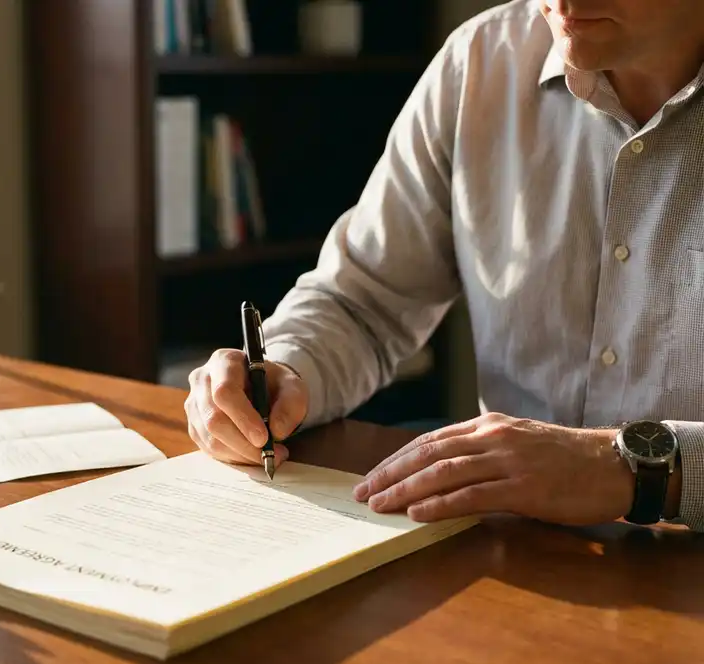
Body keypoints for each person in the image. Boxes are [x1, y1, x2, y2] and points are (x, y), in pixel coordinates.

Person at [184, 0, 704, 532]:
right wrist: (285, 370)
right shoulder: (480, 62)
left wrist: (627, 468)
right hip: (511, 547)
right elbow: (363, 302)